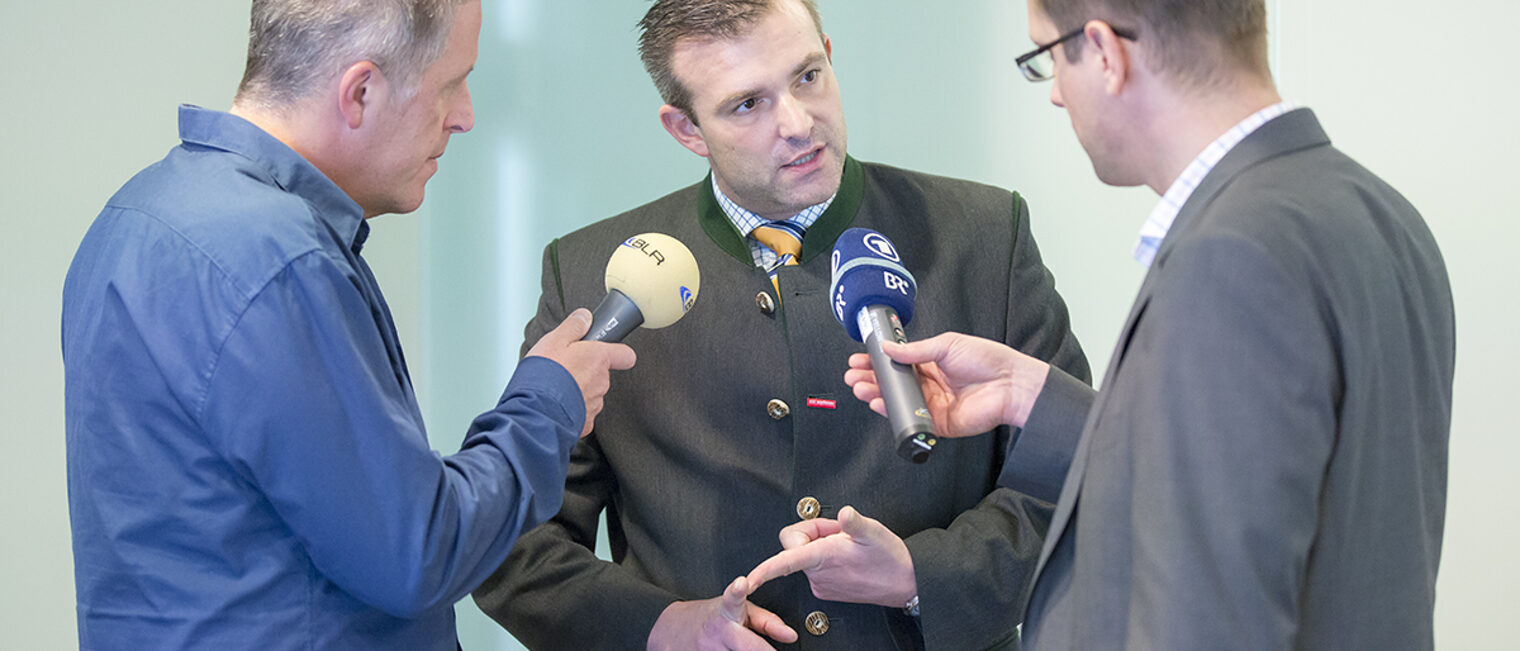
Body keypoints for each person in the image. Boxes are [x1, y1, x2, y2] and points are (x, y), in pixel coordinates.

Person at [769, 0, 1456, 648]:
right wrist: (1035, 396)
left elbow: (1210, 607)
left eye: (1047, 60)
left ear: (1101, 51)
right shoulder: (1372, 209)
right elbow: (1262, 478)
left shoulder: (1231, 255)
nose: (1056, 94)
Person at [469, 0, 1090, 648]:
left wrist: (917, 575)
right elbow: (511, 541)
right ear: (685, 128)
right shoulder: (594, 273)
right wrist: (660, 627)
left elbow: (1073, 484)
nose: (798, 123)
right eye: (747, 104)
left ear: (828, 53)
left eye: (807, 77)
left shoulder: (985, 236)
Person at [60, 1, 635, 648]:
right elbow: (416, 552)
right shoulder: (279, 261)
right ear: (360, 91)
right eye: (452, 83)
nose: (465, 115)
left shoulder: (135, 217)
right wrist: (549, 400)